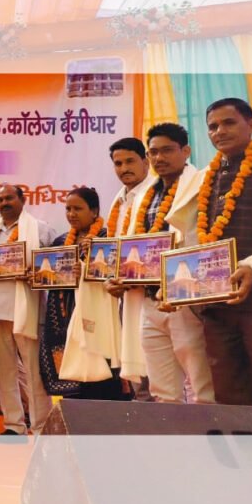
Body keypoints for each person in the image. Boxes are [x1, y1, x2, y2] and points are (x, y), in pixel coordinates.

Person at [169, 98, 252, 405]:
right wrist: (172, 284)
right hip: (217, 306)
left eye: (228, 123)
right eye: (212, 127)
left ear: (251, 125)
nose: (219, 131)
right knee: (229, 392)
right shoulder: (204, 178)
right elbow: (189, 238)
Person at [109, 124, 213, 403]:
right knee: (162, 389)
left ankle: (206, 431)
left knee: (200, 382)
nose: (159, 158)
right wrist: (121, 276)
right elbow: (135, 246)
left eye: (167, 150)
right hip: (149, 299)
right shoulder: (146, 195)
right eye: (153, 152)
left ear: (185, 151)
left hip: (185, 299)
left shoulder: (201, 186)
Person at [0, 184, 55, 435]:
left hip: (27, 309)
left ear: (23, 199)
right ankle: (13, 424)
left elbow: (53, 266)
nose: (4, 203)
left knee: (34, 371)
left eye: (9, 198)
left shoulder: (40, 229)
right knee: (5, 372)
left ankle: (41, 426)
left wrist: (35, 272)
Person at [40, 187, 125, 400]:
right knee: (69, 372)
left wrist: (86, 270)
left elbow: (114, 272)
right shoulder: (60, 242)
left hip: (97, 312)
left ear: (94, 211)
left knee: (101, 376)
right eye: (68, 209)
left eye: (77, 209)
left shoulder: (106, 238)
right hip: (63, 314)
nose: (71, 214)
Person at [103, 137, 155, 397]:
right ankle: (143, 410)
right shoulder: (119, 200)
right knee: (134, 358)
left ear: (146, 161)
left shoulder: (156, 194)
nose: (124, 168)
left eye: (130, 161)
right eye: (118, 163)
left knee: (155, 362)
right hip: (125, 292)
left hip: (152, 293)